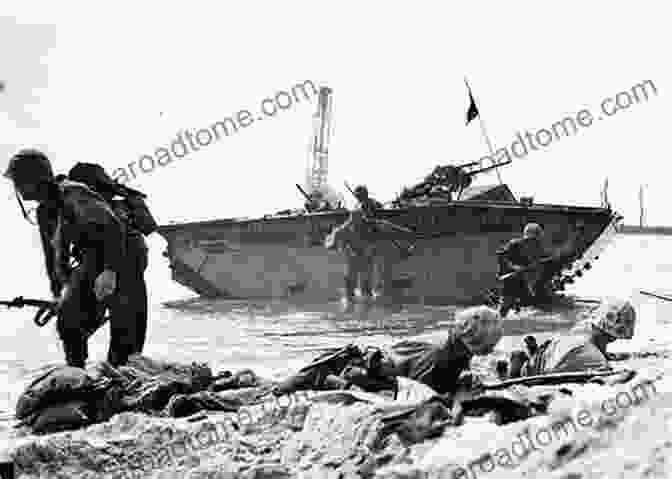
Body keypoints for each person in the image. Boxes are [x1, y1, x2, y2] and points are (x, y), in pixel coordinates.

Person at [3, 149, 139, 367]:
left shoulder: (72, 193)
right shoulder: (44, 212)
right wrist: (60, 295)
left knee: (126, 341)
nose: (17, 187)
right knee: (68, 318)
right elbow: (54, 260)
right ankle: (76, 373)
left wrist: (110, 272)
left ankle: (121, 368)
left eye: (20, 180)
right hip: (93, 257)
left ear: (35, 179)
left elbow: (113, 228)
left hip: (125, 251)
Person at [273, 305, 504, 398]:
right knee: (276, 393)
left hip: (361, 361)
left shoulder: (454, 346)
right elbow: (420, 392)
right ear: (477, 338)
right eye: (490, 342)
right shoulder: (443, 355)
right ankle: (332, 381)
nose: (492, 348)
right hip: (347, 366)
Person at [67, 163, 151, 356]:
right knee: (129, 341)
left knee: (81, 327)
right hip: (129, 271)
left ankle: (84, 372)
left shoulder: (93, 208)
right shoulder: (124, 203)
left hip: (113, 271)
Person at [511, 298, 636, 376]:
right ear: (615, 337)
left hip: (535, 365)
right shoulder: (596, 359)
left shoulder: (575, 333)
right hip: (545, 375)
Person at [497, 222, 549, 317]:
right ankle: (501, 318)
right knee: (506, 303)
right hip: (510, 278)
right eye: (533, 239)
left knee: (528, 301)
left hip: (521, 278)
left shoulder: (536, 247)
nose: (535, 242)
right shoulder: (514, 244)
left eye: (536, 239)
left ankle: (516, 314)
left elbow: (539, 260)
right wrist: (514, 267)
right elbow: (501, 256)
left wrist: (535, 266)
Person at [325, 209, 377, 302]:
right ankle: (350, 296)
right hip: (353, 255)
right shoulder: (345, 228)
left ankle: (366, 295)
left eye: (360, 217)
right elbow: (333, 240)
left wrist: (370, 249)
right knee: (351, 278)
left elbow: (374, 239)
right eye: (354, 218)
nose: (358, 220)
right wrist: (333, 245)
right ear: (352, 218)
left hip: (365, 255)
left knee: (366, 279)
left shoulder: (368, 225)